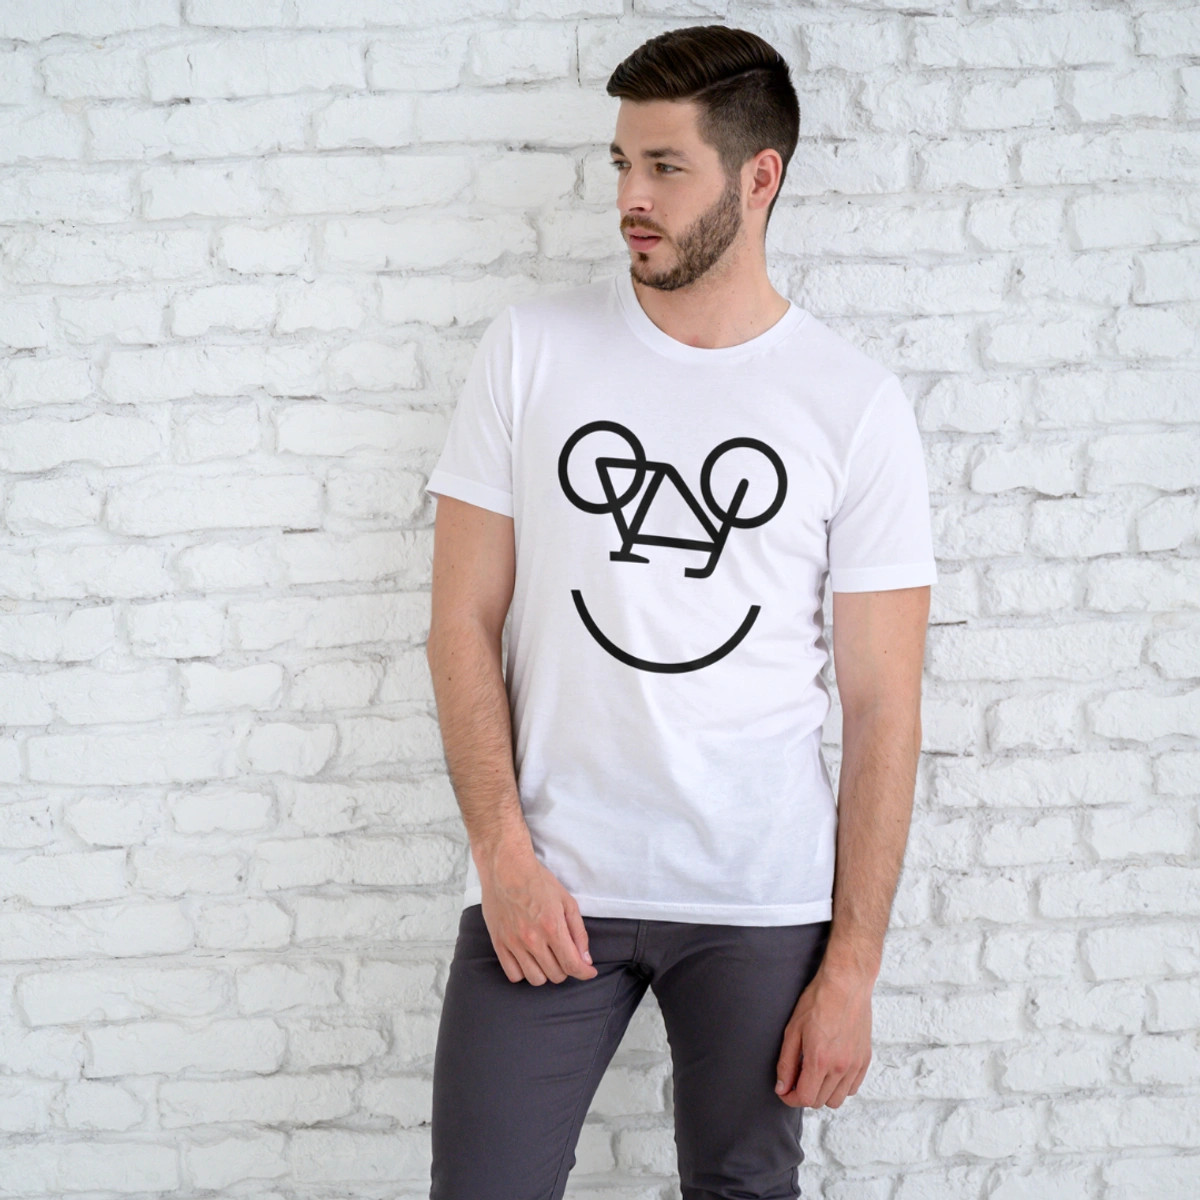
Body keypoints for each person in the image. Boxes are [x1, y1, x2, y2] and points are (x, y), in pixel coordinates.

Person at [423, 24, 936, 1200]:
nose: (631, 199)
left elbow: (883, 704)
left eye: (666, 167)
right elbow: (461, 621)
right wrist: (503, 857)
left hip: (758, 897)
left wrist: (852, 968)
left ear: (759, 178)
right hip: (548, 886)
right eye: (621, 164)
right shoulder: (531, 351)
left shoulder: (853, 405)